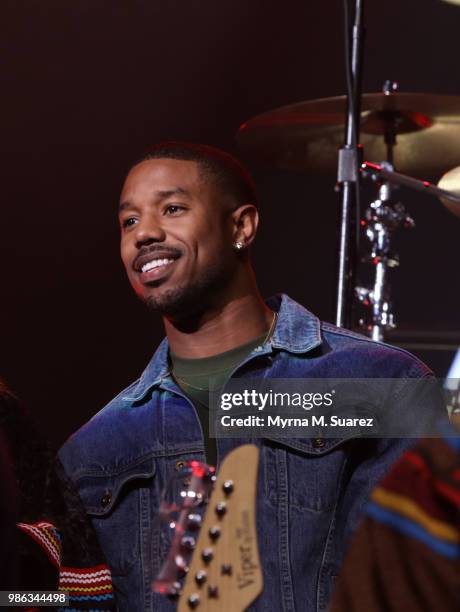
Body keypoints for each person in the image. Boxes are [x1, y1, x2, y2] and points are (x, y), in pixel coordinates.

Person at [59, 142, 443, 611]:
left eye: (172, 208)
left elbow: (416, 582)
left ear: (242, 226)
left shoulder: (379, 385)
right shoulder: (94, 450)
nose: (144, 234)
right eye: (129, 222)